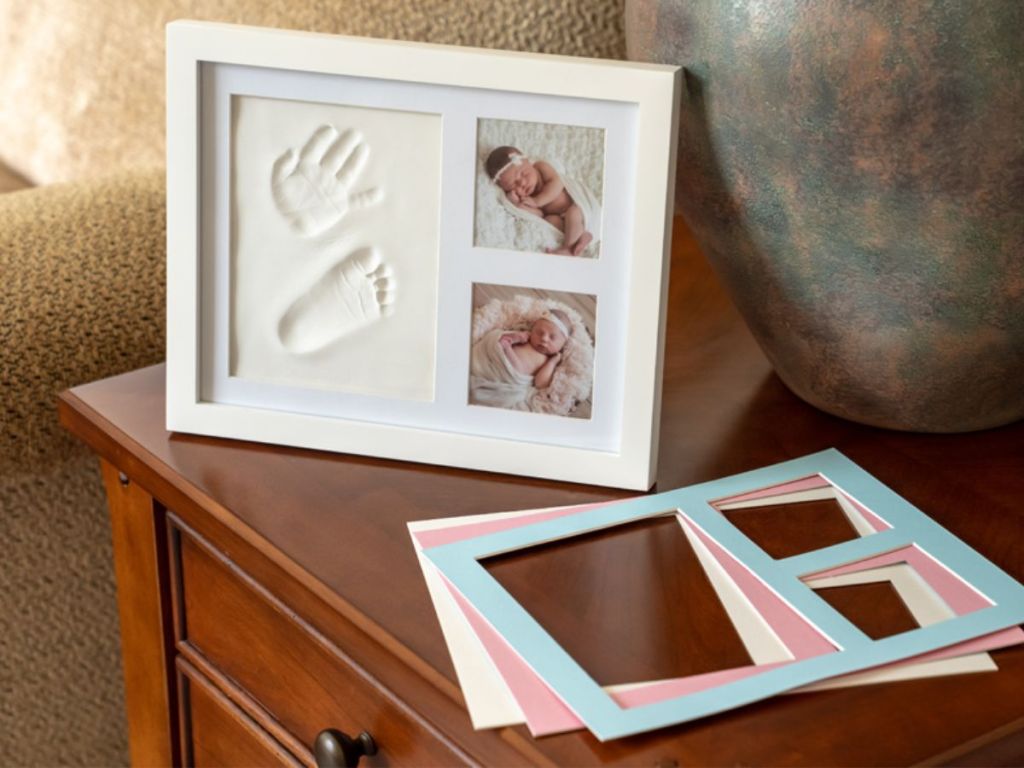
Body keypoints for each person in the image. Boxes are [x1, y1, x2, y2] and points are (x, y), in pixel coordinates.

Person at [486, 146, 594, 256]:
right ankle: (581, 235)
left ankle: (568, 248)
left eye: (524, 174)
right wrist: (517, 205)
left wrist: (537, 201)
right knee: (550, 220)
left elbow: (557, 183)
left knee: (573, 213)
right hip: (560, 218)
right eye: (514, 185)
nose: (522, 183)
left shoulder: (541, 167)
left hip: (575, 206)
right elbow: (539, 215)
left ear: (528, 162)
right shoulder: (526, 197)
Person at [498, 309, 572, 388]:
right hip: (498, 359)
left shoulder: (547, 360)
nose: (544, 338)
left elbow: (540, 384)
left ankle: (506, 348)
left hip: (512, 376)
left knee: (518, 368)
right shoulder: (526, 338)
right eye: (539, 333)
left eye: (552, 337)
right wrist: (517, 337)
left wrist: (552, 362)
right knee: (498, 337)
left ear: (562, 344)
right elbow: (504, 338)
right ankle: (506, 347)